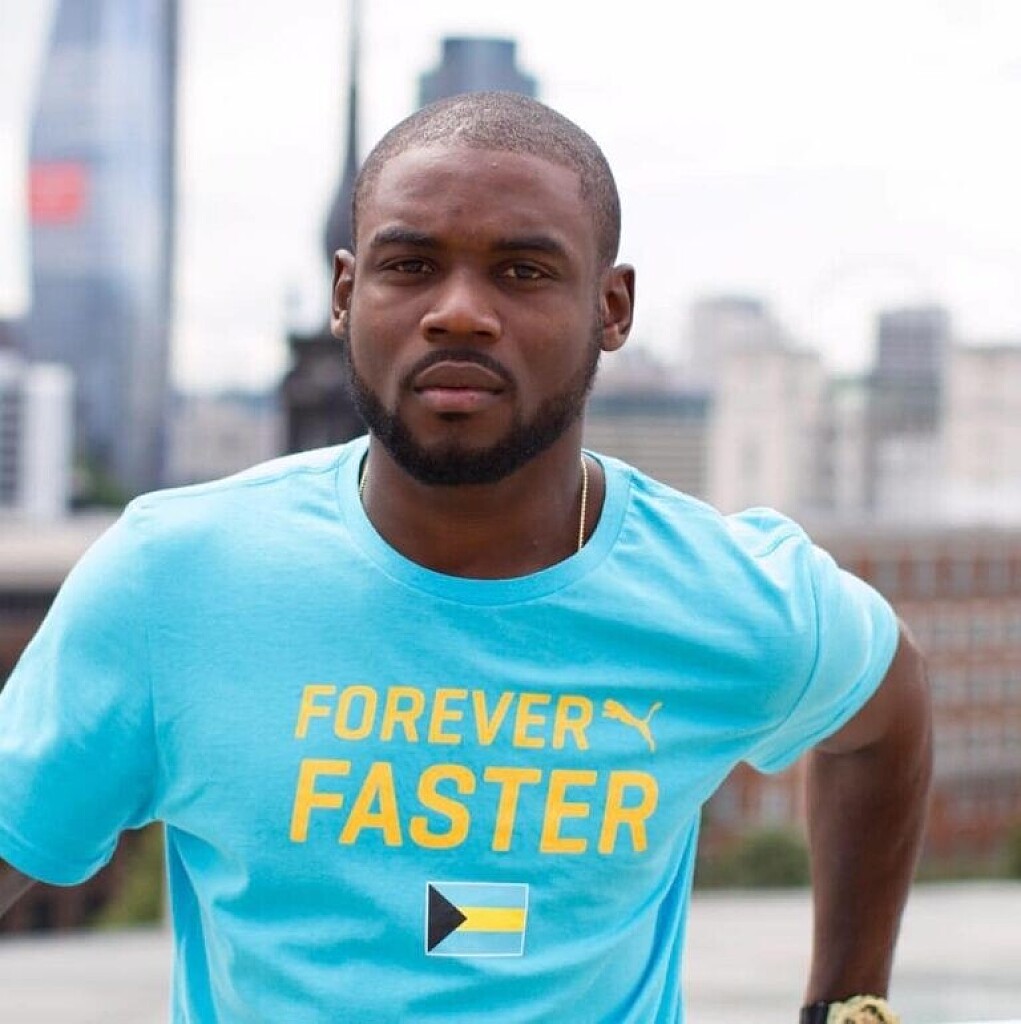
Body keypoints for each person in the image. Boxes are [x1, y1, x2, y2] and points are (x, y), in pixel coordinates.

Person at [0, 92, 931, 1024]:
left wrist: (849, 1005)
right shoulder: (175, 579)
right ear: (344, 295)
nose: (457, 313)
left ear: (610, 308)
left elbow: (886, 711)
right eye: (410, 266)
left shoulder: (724, 595)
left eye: (522, 271)